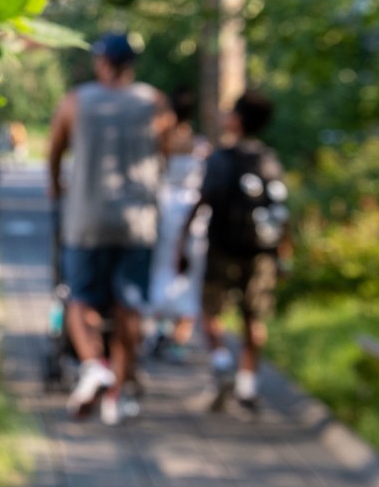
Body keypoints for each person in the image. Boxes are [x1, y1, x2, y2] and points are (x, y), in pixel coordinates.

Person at [48, 33, 173, 425]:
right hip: (137, 221)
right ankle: (117, 394)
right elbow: (165, 154)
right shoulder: (154, 102)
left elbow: (53, 152)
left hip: (86, 218)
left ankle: (93, 364)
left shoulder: (76, 100)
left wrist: (57, 190)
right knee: (129, 305)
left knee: (81, 299)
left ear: (101, 62)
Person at [179, 91, 290, 417]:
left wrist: (181, 241)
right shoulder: (270, 160)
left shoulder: (221, 158)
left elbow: (202, 200)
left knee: (210, 310)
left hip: (222, 248)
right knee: (253, 317)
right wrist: (283, 255)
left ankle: (221, 361)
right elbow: (282, 211)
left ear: (238, 120)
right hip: (262, 252)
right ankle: (247, 385)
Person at [147, 87, 210, 360]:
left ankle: (160, 328)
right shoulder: (200, 144)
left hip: (165, 210)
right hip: (194, 214)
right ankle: (180, 338)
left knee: (161, 269)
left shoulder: (161, 142)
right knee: (189, 272)